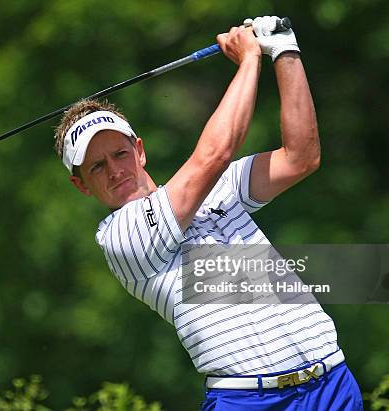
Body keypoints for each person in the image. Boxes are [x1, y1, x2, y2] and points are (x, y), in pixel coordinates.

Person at [53, 16, 363, 410]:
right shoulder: (120, 239)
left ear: (140, 151)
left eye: (120, 153)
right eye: (96, 166)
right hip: (247, 400)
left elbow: (301, 158)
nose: (115, 170)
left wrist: (284, 49)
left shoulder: (219, 188)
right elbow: (213, 155)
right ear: (81, 185)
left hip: (332, 384)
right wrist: (249, 59)